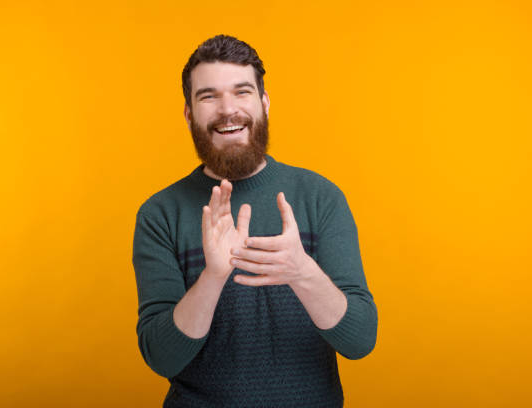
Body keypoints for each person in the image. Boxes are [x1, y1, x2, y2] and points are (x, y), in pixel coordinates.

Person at [132, 34, 378, 407]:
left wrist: (301, 272)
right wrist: (212, 277)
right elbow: (162, 357)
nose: (227, 109)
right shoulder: (160, 214)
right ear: (188, 114)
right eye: (208, 96)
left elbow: (360, 341)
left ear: (264, 103)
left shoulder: (320, 197)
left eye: (242, 92)